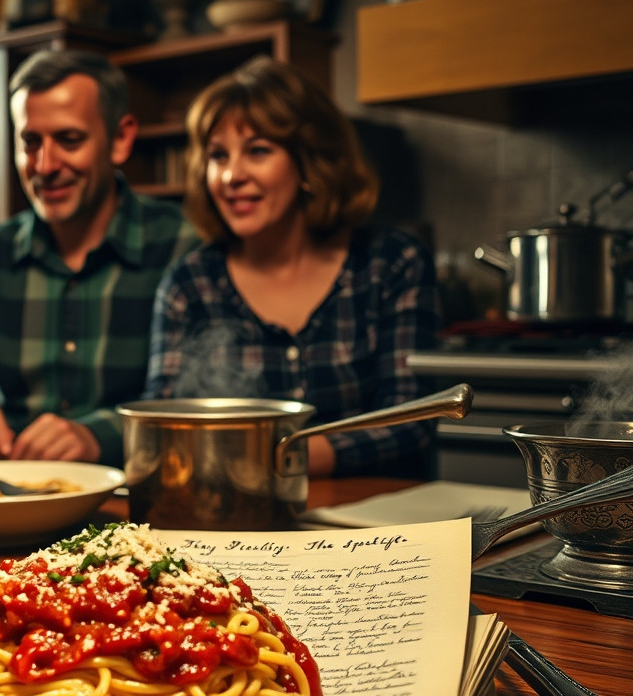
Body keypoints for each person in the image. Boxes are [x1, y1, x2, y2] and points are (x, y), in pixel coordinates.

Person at [0, 50, 196, 467]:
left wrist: (97, 437)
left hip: (135, 494)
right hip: (11, 492)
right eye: (30, 142)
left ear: (120, 139)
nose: (45, 165)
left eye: (69, 140)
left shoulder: (183, 248)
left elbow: (195, 401)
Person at [143, 56, 441, 478]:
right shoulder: (189, 284)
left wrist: (284, 456)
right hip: (241, 507)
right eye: (218, 156)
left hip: (381, 507)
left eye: (257, 151)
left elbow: (413, 419)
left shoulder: (391, 265)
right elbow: (161, 425)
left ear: (309, 161)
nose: (230, 176)